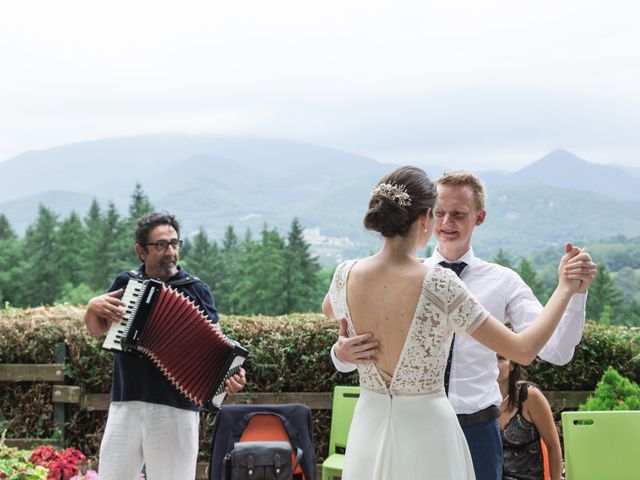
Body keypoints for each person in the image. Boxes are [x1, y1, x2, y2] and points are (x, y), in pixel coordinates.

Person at [323, 166, 591, 479]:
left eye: (458, 214)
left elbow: (331, 310)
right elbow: (524, 350)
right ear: (426, 217)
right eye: (440, 213)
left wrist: (576, 297)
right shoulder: (439, 282)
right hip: (429, 428)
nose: (447, 222)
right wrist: (564, 288)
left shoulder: (345, 273)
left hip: (422, 425)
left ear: (479, 217)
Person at [84, 212, 246, 480]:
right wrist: (92, 306)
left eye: (174, 243)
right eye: (160, 245)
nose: (170, 251)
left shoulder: (196, 290)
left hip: (176, 409)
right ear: (141, 250)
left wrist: (232, 375)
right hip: (127, 402)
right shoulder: (126, 283)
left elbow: (216, 346)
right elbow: (96, 328)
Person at [498, 354, 562, 480]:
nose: (494, 364)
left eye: (500, 358)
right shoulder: (477, 403)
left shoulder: (530, 397)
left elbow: (553, 446)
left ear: (512, 365)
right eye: (489, 359)